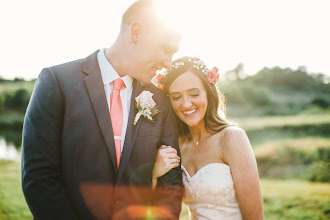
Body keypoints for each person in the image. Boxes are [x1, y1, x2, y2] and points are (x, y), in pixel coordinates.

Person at [21, 0, 183, 219]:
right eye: (166, 50)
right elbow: (39, 177)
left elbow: (170, 184)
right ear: (136, 33)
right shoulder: (57, 83)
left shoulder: (159, 101)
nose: (169, 63)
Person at [152, 56, 264, 219]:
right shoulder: (176, 144)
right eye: (176, 97)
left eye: (194, 94)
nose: (186, 104)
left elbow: (255, 217)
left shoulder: (232, 138)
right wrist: (153, 173)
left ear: (208, 93)